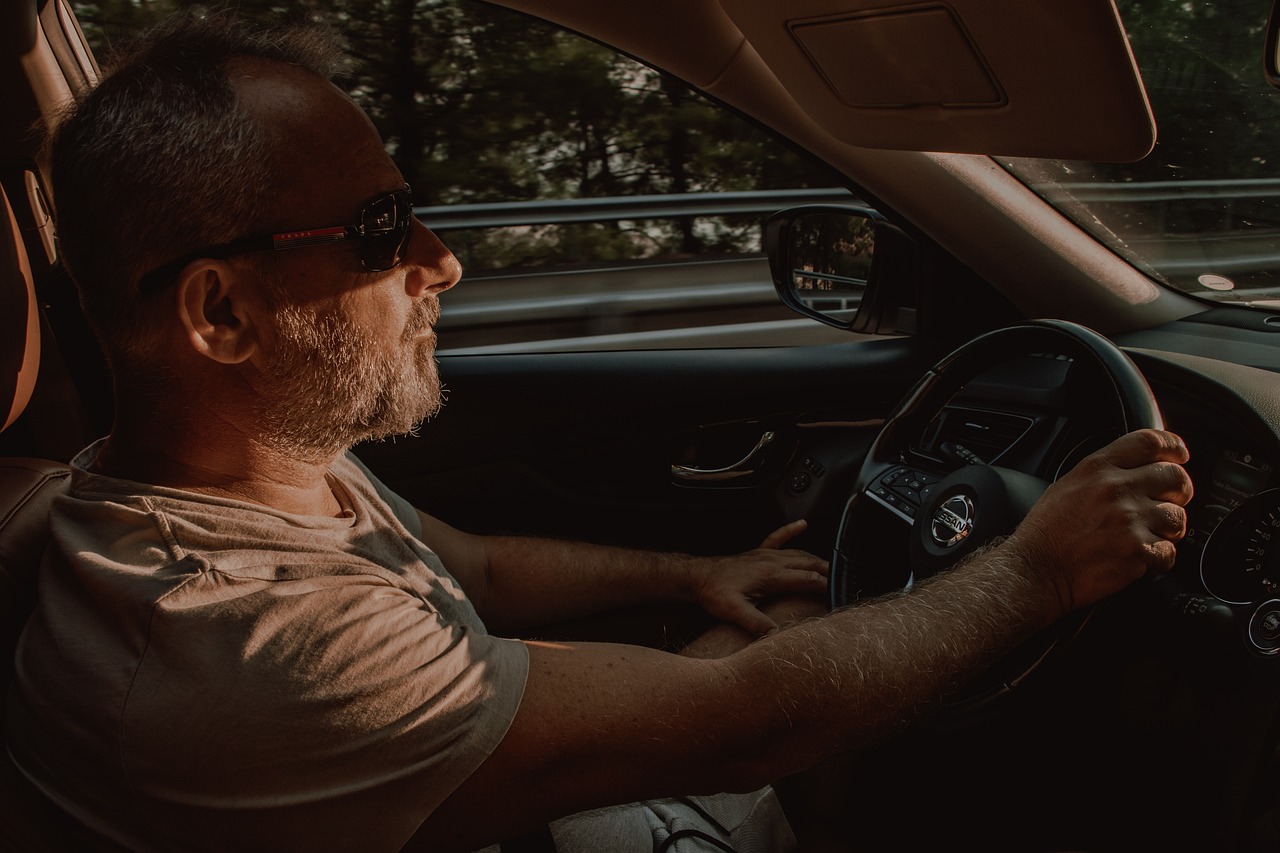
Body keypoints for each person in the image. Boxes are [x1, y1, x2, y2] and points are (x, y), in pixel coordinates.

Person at [6, 10, 1193, 853]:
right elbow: (752, 724)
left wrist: (695, 573)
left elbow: (476, 568)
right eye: (379, 229)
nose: (442, 262)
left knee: (790, 624)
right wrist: (1037, 569)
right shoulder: (246, 642)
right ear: (221, 313)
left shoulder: (247, 476)